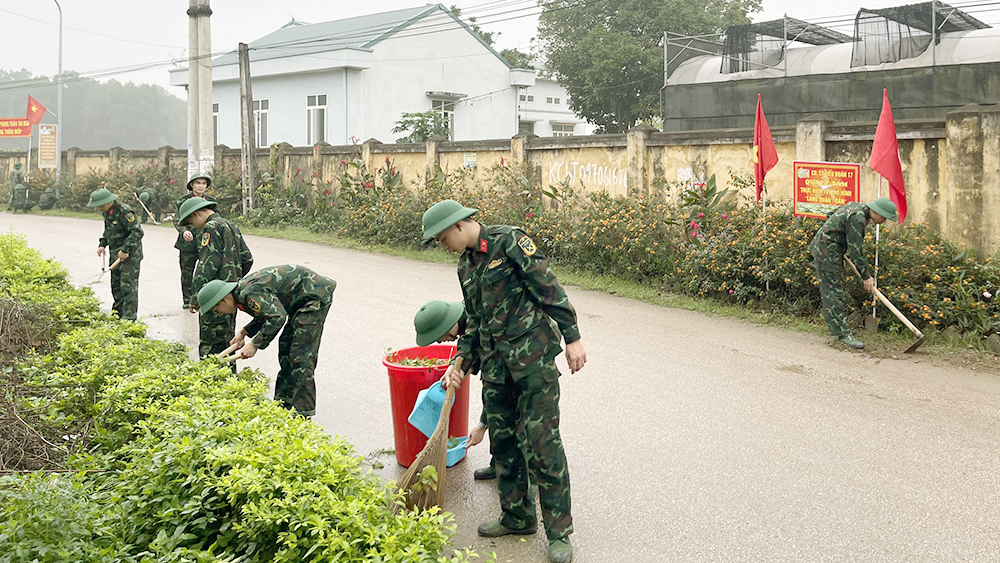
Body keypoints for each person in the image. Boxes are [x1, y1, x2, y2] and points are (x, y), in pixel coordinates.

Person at [424, 199, 586, 563]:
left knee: (543, 444)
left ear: (458, 226)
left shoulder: (510, 241)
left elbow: (548, 288)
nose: (441, 245)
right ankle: (517, 517)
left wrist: (573, 336)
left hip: (533, 360)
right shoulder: (465, 268)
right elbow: (475, 321)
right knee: (505, 442)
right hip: (497, 367)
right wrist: (461, 361)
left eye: (440, 237)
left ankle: (559, 533)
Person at [196, 265, 336, 418]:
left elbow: (277, 317)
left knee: (300, 356)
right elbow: (266, 313)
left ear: (223, 300)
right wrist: (244, 333)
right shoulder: (241, 294)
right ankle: (282, 405)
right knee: (285, 349)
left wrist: (255, 344)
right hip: (300, 302)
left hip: (314, 296)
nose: (219, 313)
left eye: (216, 309)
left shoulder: (249, 293)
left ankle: (303, 414)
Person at [413, 300, 497, 480]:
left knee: (520, 421)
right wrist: (456, 367)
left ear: (448, 324)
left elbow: (494, 384)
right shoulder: (466, 321)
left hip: (527, 360)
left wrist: (482, 425)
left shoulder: (483, 322)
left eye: (438, 335)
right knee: (502, 421)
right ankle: (501, 464)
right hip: (503, 364)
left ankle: (525, 476)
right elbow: (468, 346)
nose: (439, 341)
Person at [808, 197, 898, 350]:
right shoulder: (858, 218)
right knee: (833, 292)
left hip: (827, 249)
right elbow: (856, 250)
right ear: (875, 211)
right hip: (826, 253)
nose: (883, 221)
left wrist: (837, 238)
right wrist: (866, 277)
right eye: (883, 217)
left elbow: (831, 215)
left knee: (834, 290)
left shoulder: (855, 207)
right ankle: (842, 334)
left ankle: (839, 328)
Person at [176, 196, 254, 363]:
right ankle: (230, 383)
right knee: (228, 342)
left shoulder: (210, 228)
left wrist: (197, 296)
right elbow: (247, 258)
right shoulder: (231, 225)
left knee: (210, 345)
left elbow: (206, 266)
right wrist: (233, 280)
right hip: (230, 294)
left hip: (214, 296)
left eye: (191, 222)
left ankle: (211, 383)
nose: (193, 227)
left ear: (197, 214)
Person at [88, 188, 143, 321]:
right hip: (115, 255)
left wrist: (125, 249)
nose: (99, 208)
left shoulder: (125, 211)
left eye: (100, 205)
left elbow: (137, 232)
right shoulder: (107, 212)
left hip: (130, 255)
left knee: (127, 287)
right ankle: (117, 315)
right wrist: (102, 243)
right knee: (116, 286)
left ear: (109, 201)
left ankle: (129, 318)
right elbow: (108, 231)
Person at [174, 174, 215, 308]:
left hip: (205, 242)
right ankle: (187, 300)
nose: (201, 186)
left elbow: (214, 219)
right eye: (198, 183)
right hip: (187, 243)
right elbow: (177, 219)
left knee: (205, 271)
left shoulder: (210, 201)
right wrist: (183, 231)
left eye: (204, 183)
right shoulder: (183, 201)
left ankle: (203, 298)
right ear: (192, 185)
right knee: (187, 272)